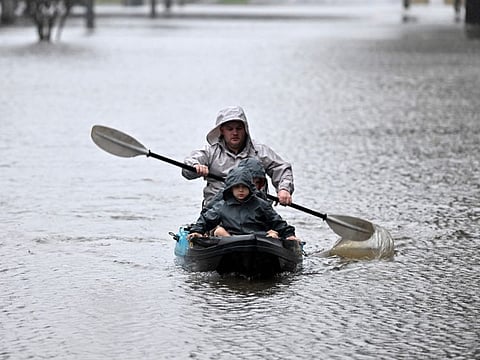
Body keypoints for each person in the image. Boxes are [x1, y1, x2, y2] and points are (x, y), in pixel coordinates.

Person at [182, 106, 294, 206]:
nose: (235, 133)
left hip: (254, 210)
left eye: (239, 128)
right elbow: (187, 169)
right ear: (222, 131)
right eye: (230, 129)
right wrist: (196, 166)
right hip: (217, 210)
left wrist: (284, 189)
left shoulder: (259, 151)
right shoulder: (210, 152)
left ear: (245, 130)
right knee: (217, 228)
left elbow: (281, 168)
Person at [187, 167, 298, 241]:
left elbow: (277, 221)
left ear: (250, 188)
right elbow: (206, 220)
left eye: (244, 187)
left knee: (273, 234)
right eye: (237, 187)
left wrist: (289, 235)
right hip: (231, 239)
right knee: (219, 231)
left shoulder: (261, 204)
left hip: (258, 240)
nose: (241, 190)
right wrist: (197, 231)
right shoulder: (222, 206)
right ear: (231, 189)